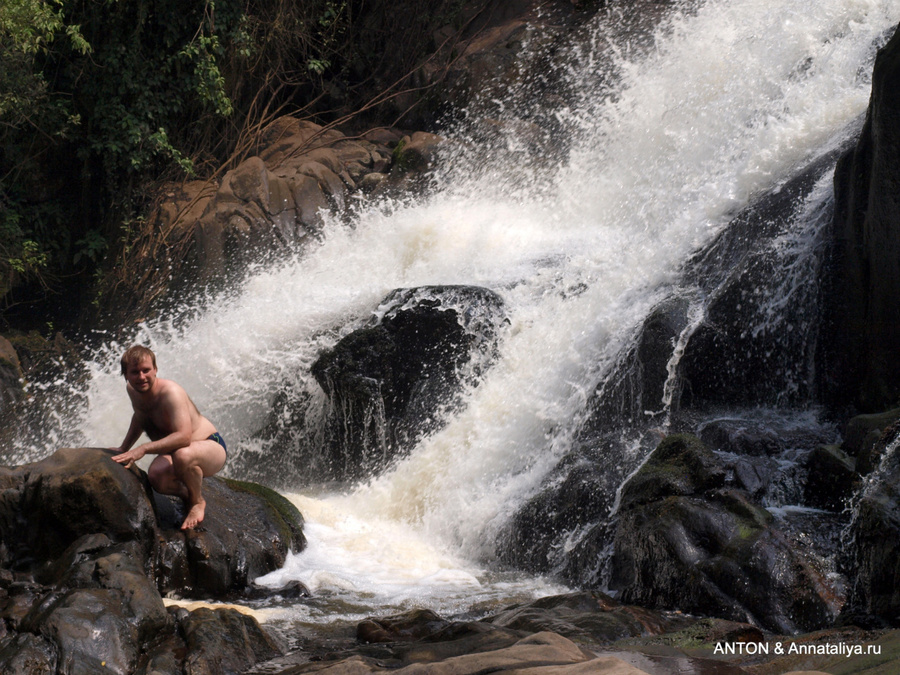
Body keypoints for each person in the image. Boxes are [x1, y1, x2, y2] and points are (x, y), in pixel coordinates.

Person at [111, 345, 227, 530]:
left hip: (209, 445)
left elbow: (183, 438)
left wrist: (142, 449)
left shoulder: (171, 393)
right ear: (125, 375)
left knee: (183, 455)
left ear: (155, 370)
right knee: (156, 477)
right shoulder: (133, 390)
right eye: (134, 372)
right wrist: (124, 447)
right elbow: (140, 415)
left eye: (146, 370)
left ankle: (197, 502)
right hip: (177, 450)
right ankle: (187, 494)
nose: (141, 377)